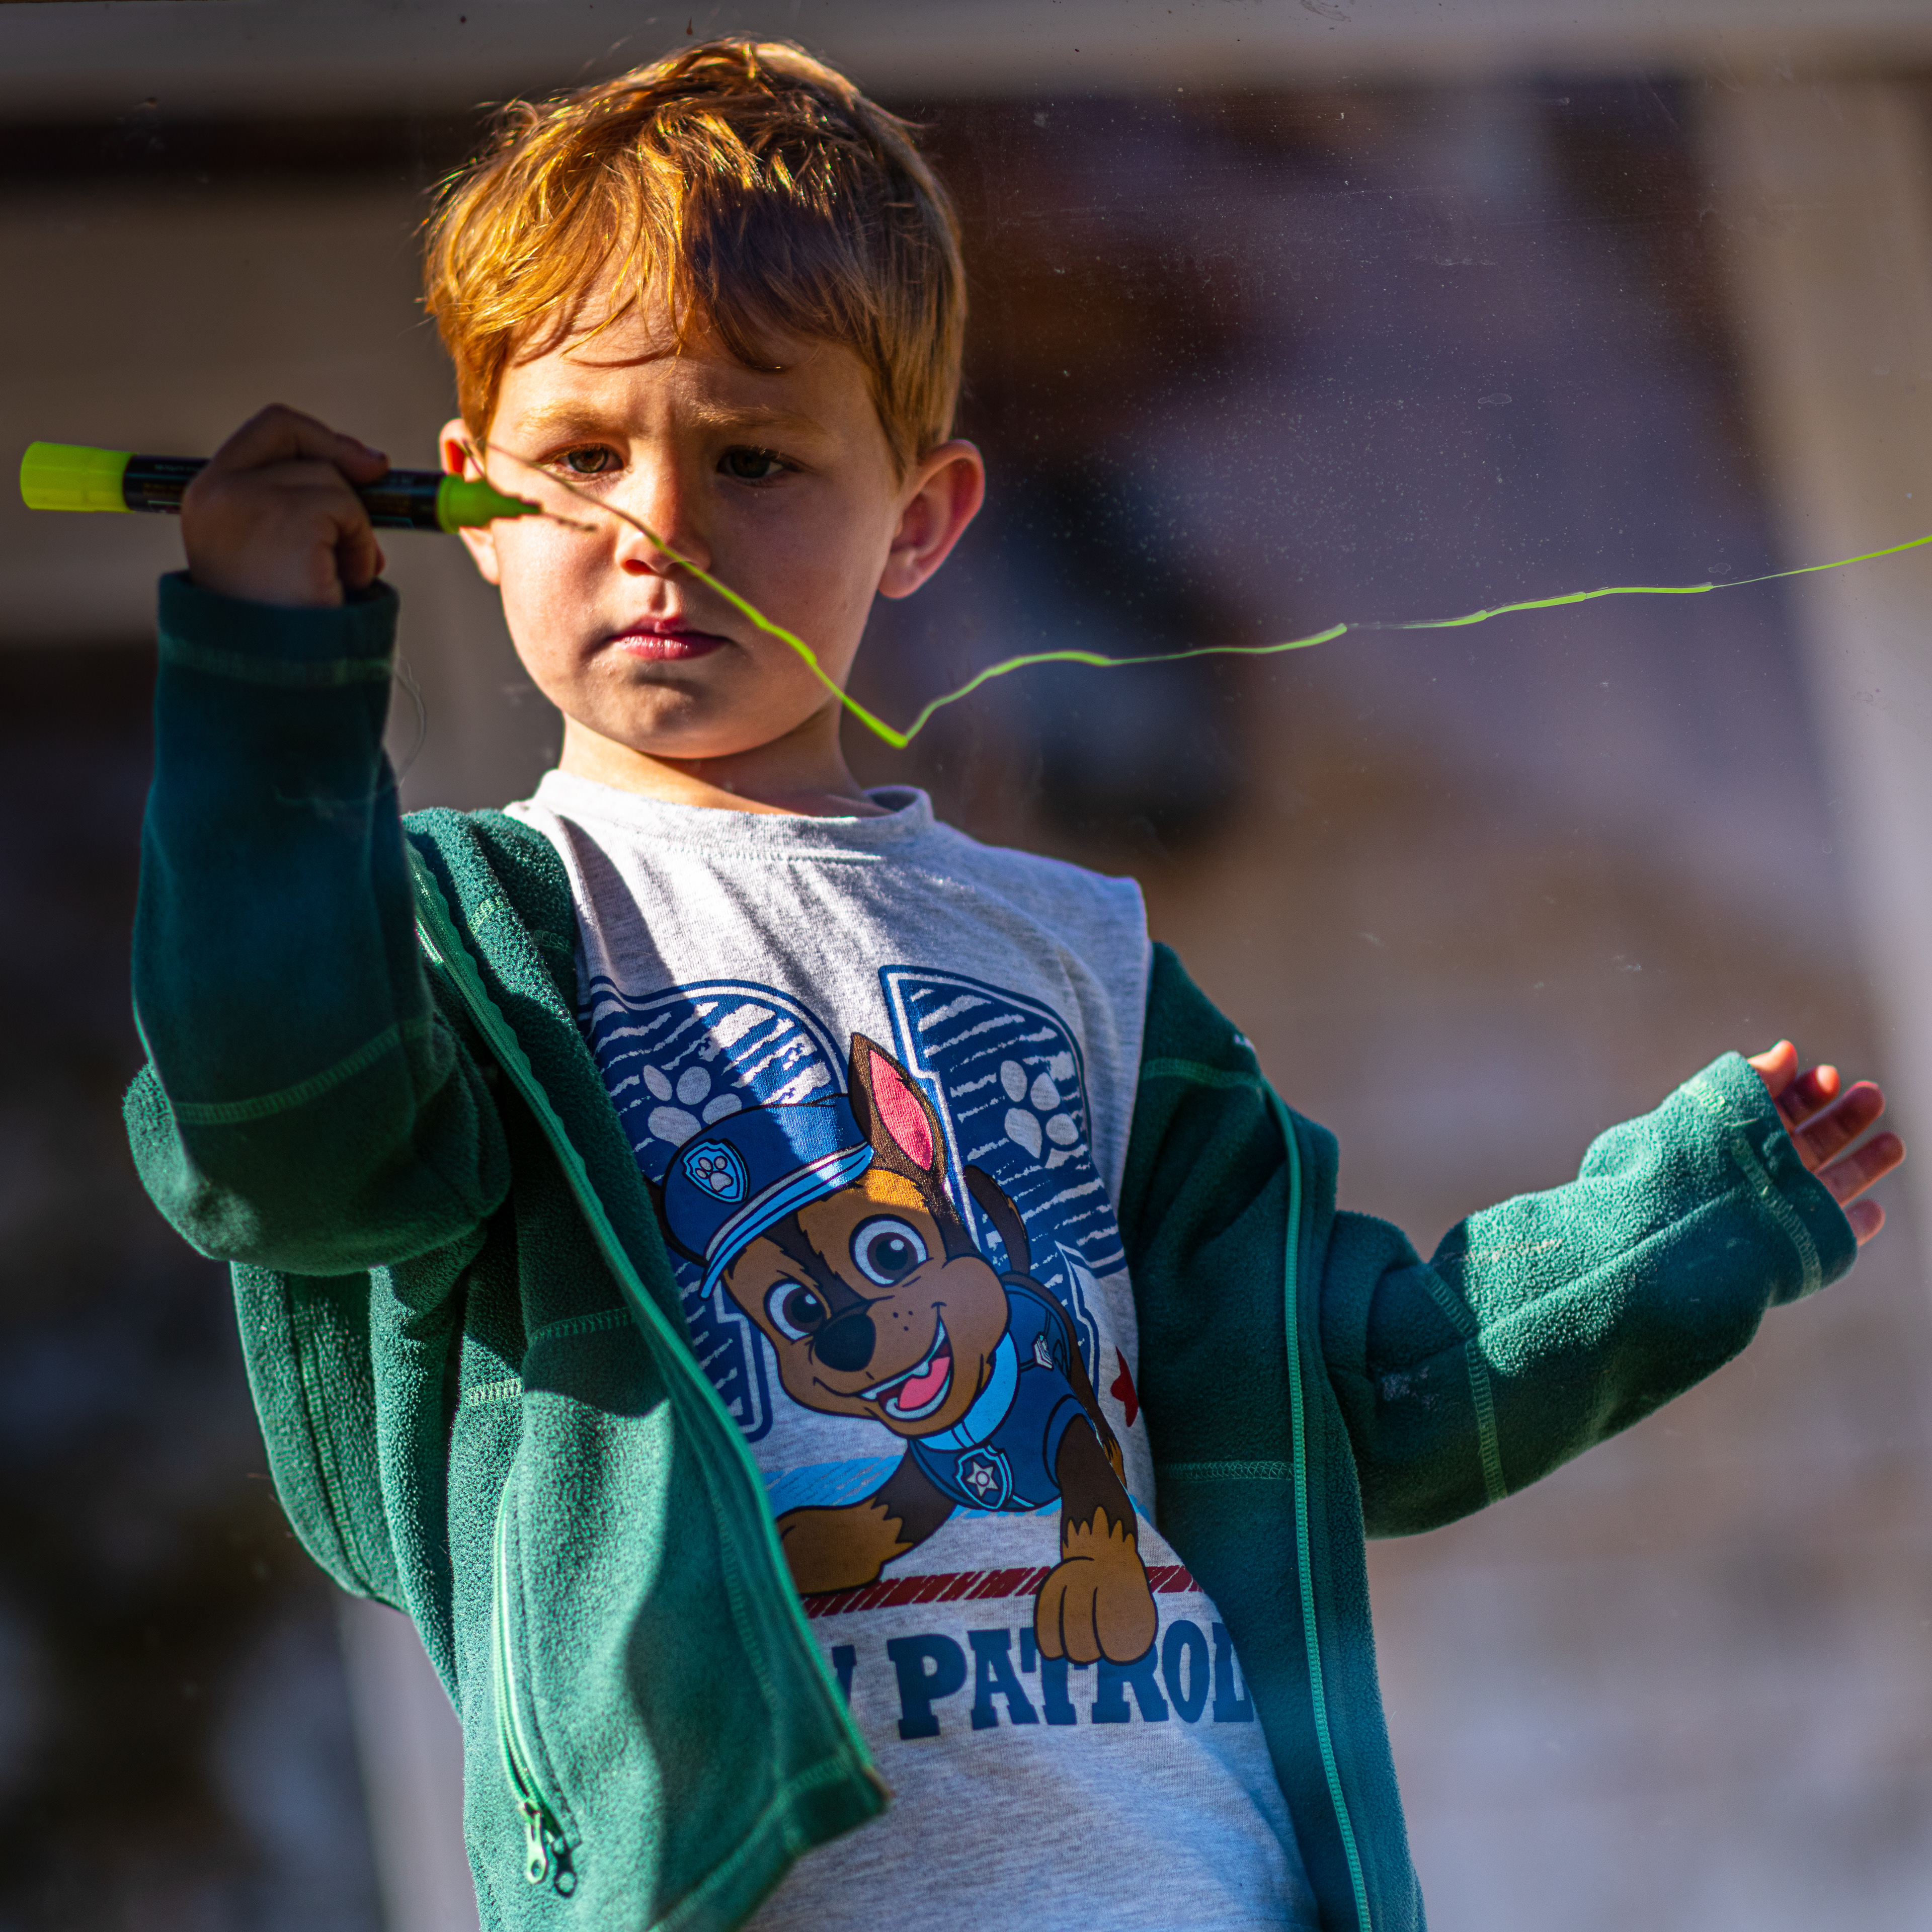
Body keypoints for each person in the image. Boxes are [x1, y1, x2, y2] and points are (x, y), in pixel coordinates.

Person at [124, 36, 1904, 1932]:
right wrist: (264, 681)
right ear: (469, 501)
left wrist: (1683, 1220)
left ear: (923, 517)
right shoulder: (456, 945)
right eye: (586, 458)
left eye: (754, 456)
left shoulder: (1083, 959)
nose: (662, 531)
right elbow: (276, 1146)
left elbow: (1359, 1392)